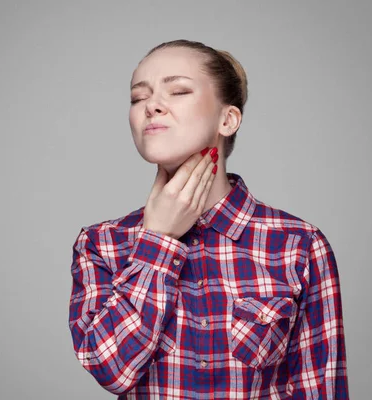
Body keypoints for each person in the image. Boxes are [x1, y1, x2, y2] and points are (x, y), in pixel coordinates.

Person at [68, 39, 349, 399]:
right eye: (138, 98)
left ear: (227, 119)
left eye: (178, 91)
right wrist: (158, 241)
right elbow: (112, 371)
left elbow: (320, 389)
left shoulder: (299, 244)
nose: (152, 105)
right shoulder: (102, 244)